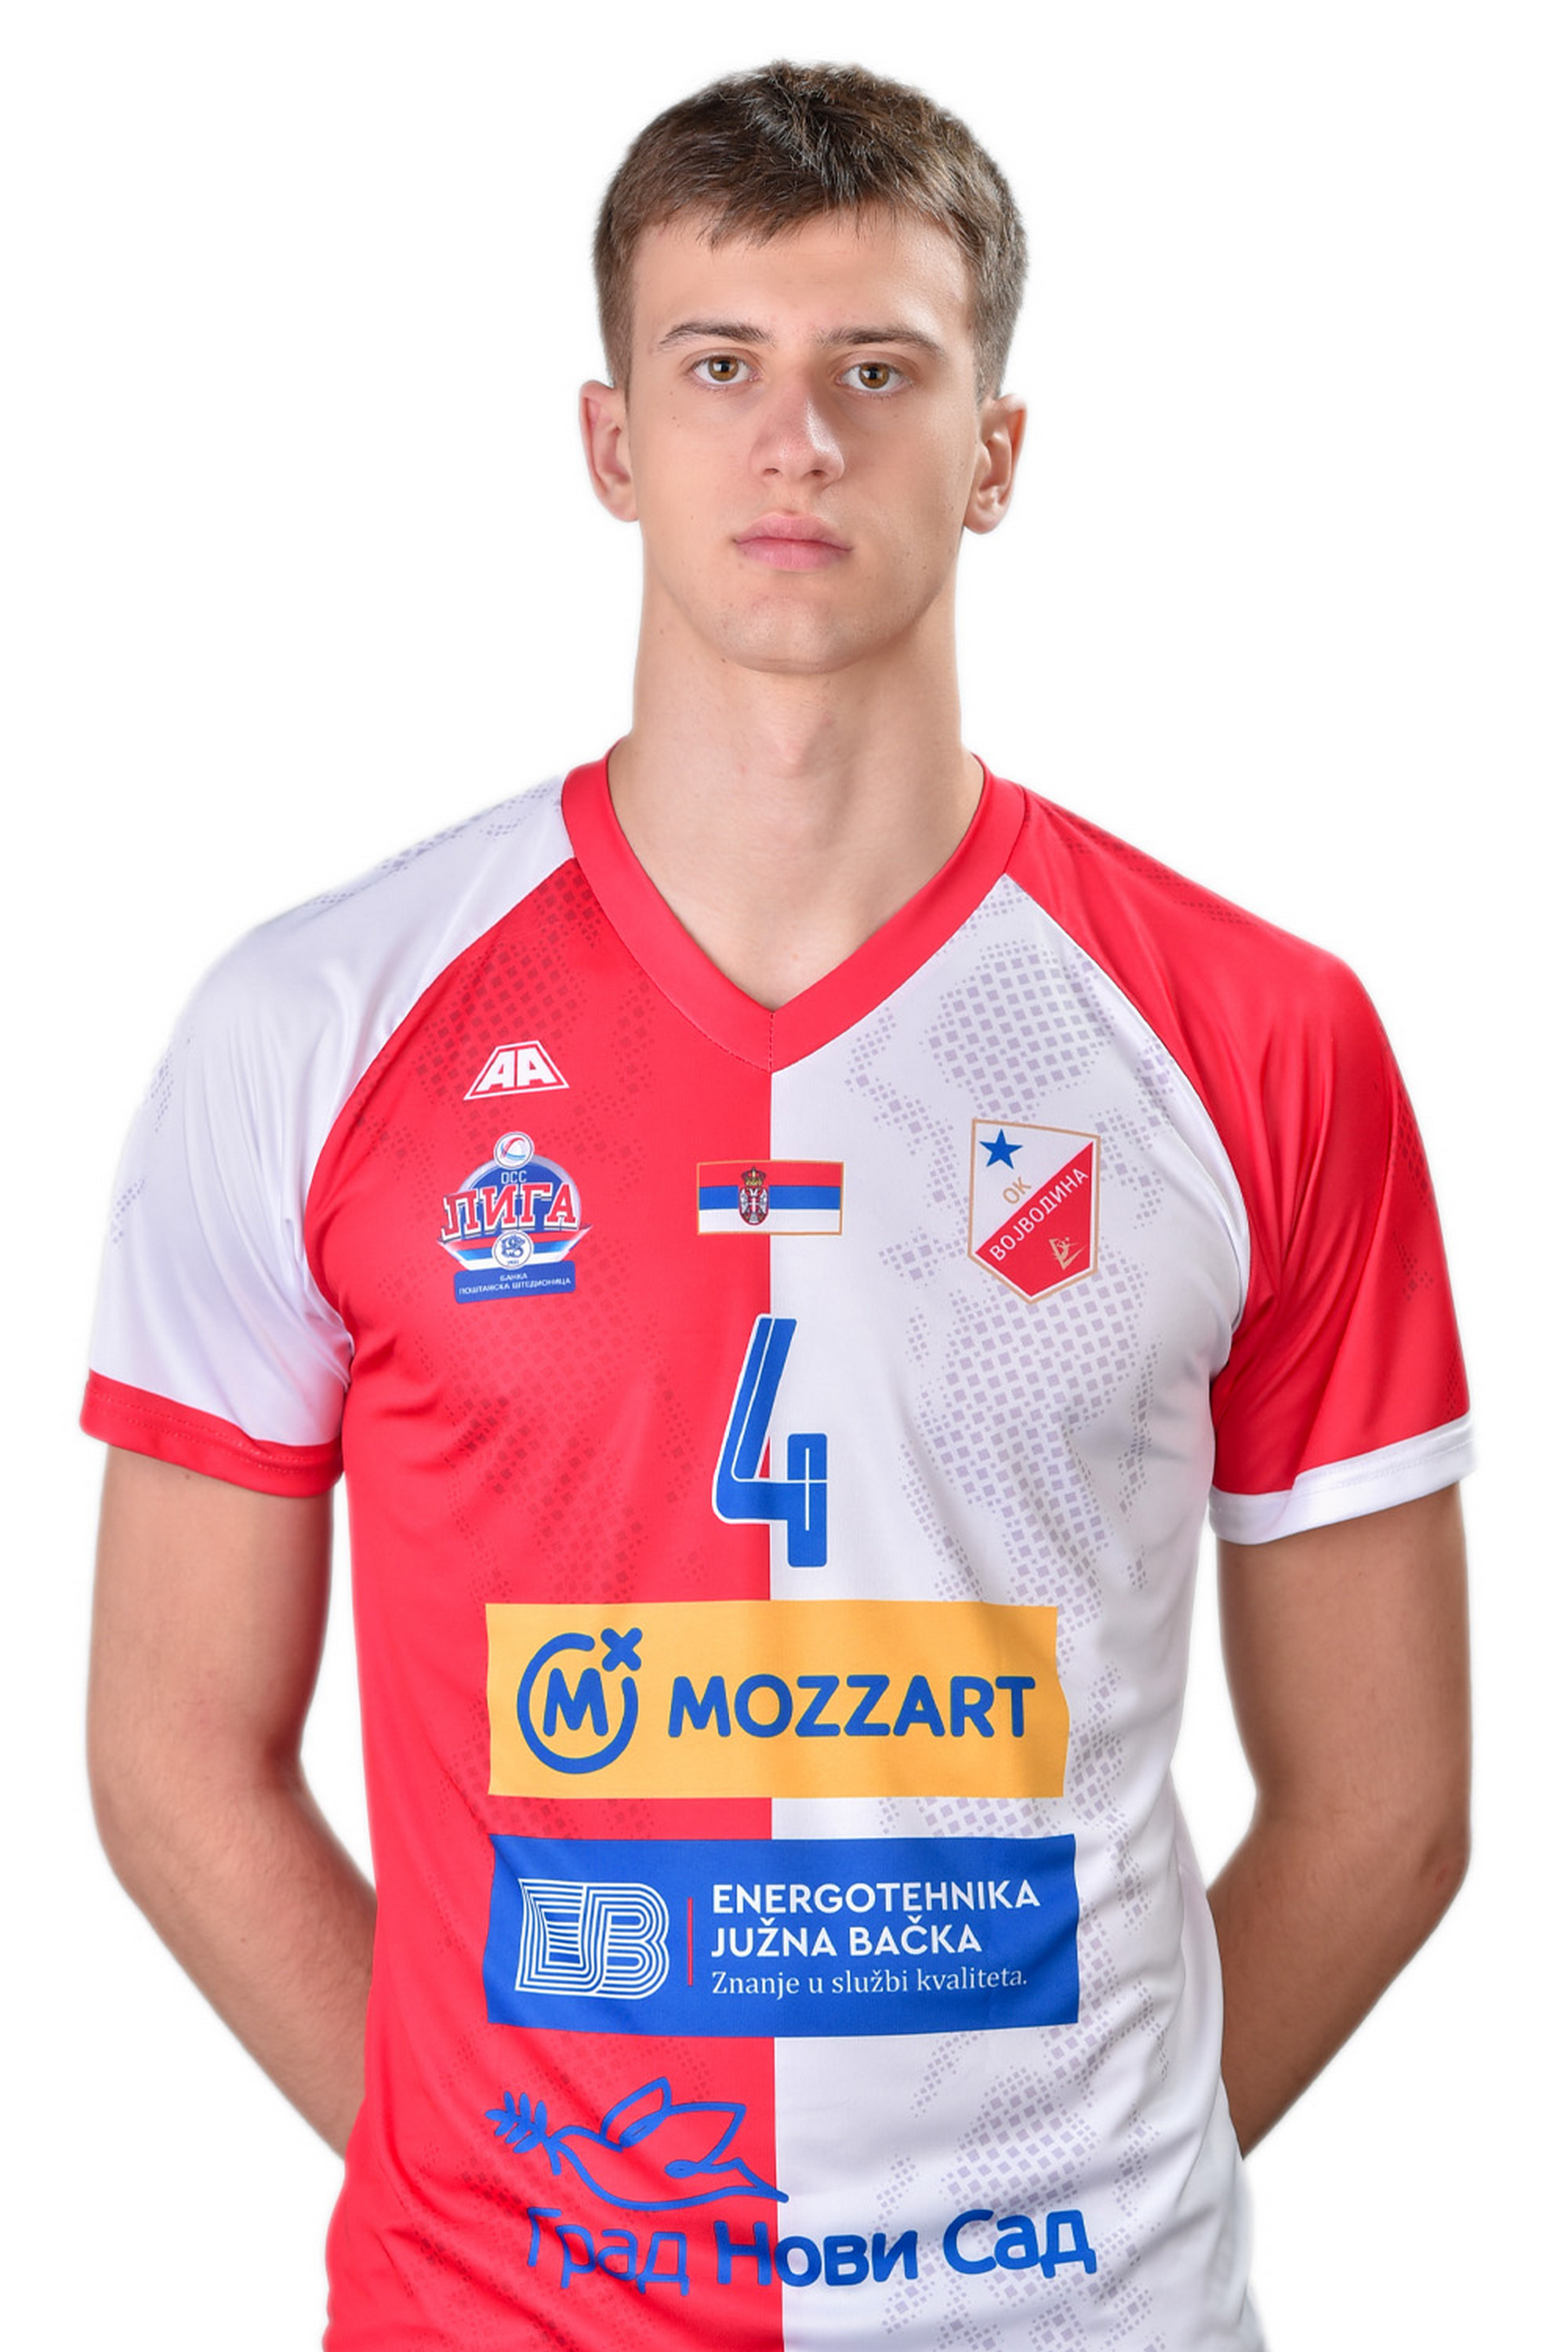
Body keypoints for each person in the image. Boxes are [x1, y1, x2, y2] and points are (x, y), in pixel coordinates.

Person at [82, 58, 1472, 2350]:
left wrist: (1080, 2222)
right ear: (612, 443)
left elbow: (1389, 1806)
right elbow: (170, 1758)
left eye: (878, 372)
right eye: (720, 366)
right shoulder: (316, 1024)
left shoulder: (1258, 1036)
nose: (798, 441)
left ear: (996, 449)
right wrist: (513, 2212)